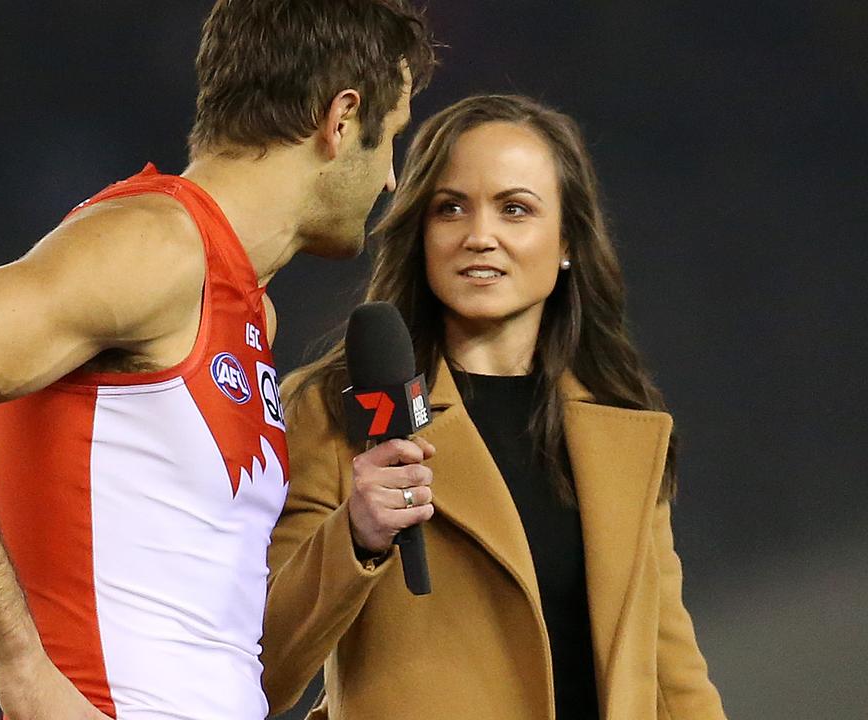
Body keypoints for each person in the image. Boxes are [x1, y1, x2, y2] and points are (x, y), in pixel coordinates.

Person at [0, 2, 435, 718]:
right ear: (341, 120)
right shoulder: (157, 246)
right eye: (392, 140)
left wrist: (354, 536)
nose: (389, 181)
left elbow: (201, 630)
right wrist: (20, 663)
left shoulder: (245, 306)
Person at [262, 95, 727, 720]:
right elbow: (262, 667)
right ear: (421, 234)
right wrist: (356, 536)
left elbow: (672, 674)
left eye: (515, 209)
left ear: (567, 242)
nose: (480, 237)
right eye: (450, 209)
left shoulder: (623, 426)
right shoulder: (337, 411)